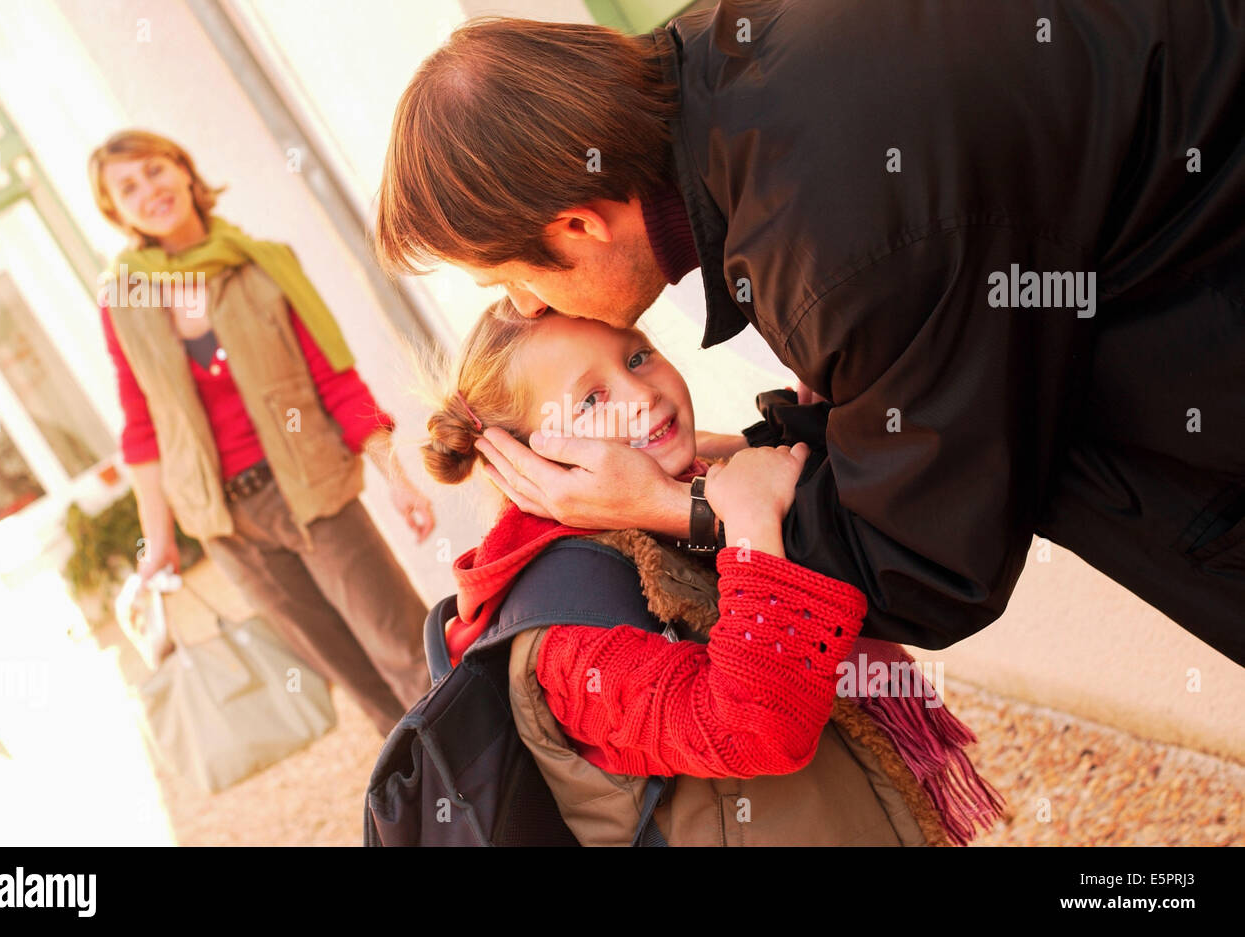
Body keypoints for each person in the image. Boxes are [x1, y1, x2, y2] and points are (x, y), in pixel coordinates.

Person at [376, 3, 1245, 667]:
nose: (525, 306)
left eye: (509, 279)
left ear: (576, 226)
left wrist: (669, 507)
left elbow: (932, 563)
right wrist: (757, 448)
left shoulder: (830, 237)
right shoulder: (733, 53)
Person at [418, 299, 1003, 846]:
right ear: (525, 461)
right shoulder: (570, 639)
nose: (641, 395)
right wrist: (750, 520)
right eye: (592, 401)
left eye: (638, 355)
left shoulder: (690, 484)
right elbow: (751, 729)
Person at [89, 129, 432, 734]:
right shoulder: (125, 302)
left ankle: (490, 784)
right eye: (128, 187)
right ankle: (431, 806)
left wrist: (398, 479)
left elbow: (335, 378)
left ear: (183, 169)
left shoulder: (265, 264)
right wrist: (158, 542)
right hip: (226, 523)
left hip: (311, 491)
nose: (149, 191)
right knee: (351, 674)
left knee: (404, 650)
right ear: (115, 211)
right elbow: (142, 431)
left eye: (154, 170)